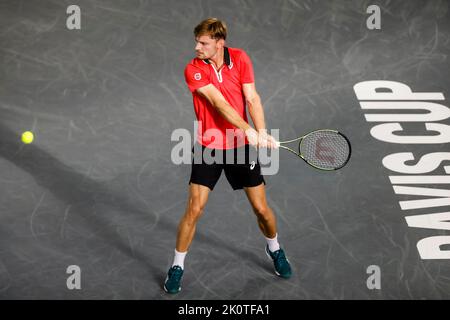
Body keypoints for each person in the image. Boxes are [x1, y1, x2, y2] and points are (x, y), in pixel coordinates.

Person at [164, 18, 292, 294]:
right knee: (194, 209)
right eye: (196, 41)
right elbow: (218, 103)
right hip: (208, 147)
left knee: (261, 209)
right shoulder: (193, 69)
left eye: (203, 43)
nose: (196, 47)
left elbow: (252, 98)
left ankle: (275, 248)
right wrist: (248, 130)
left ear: (219, 43)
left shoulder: (240, 58)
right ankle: (177, 265)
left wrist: (262, 131)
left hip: (240, 147)